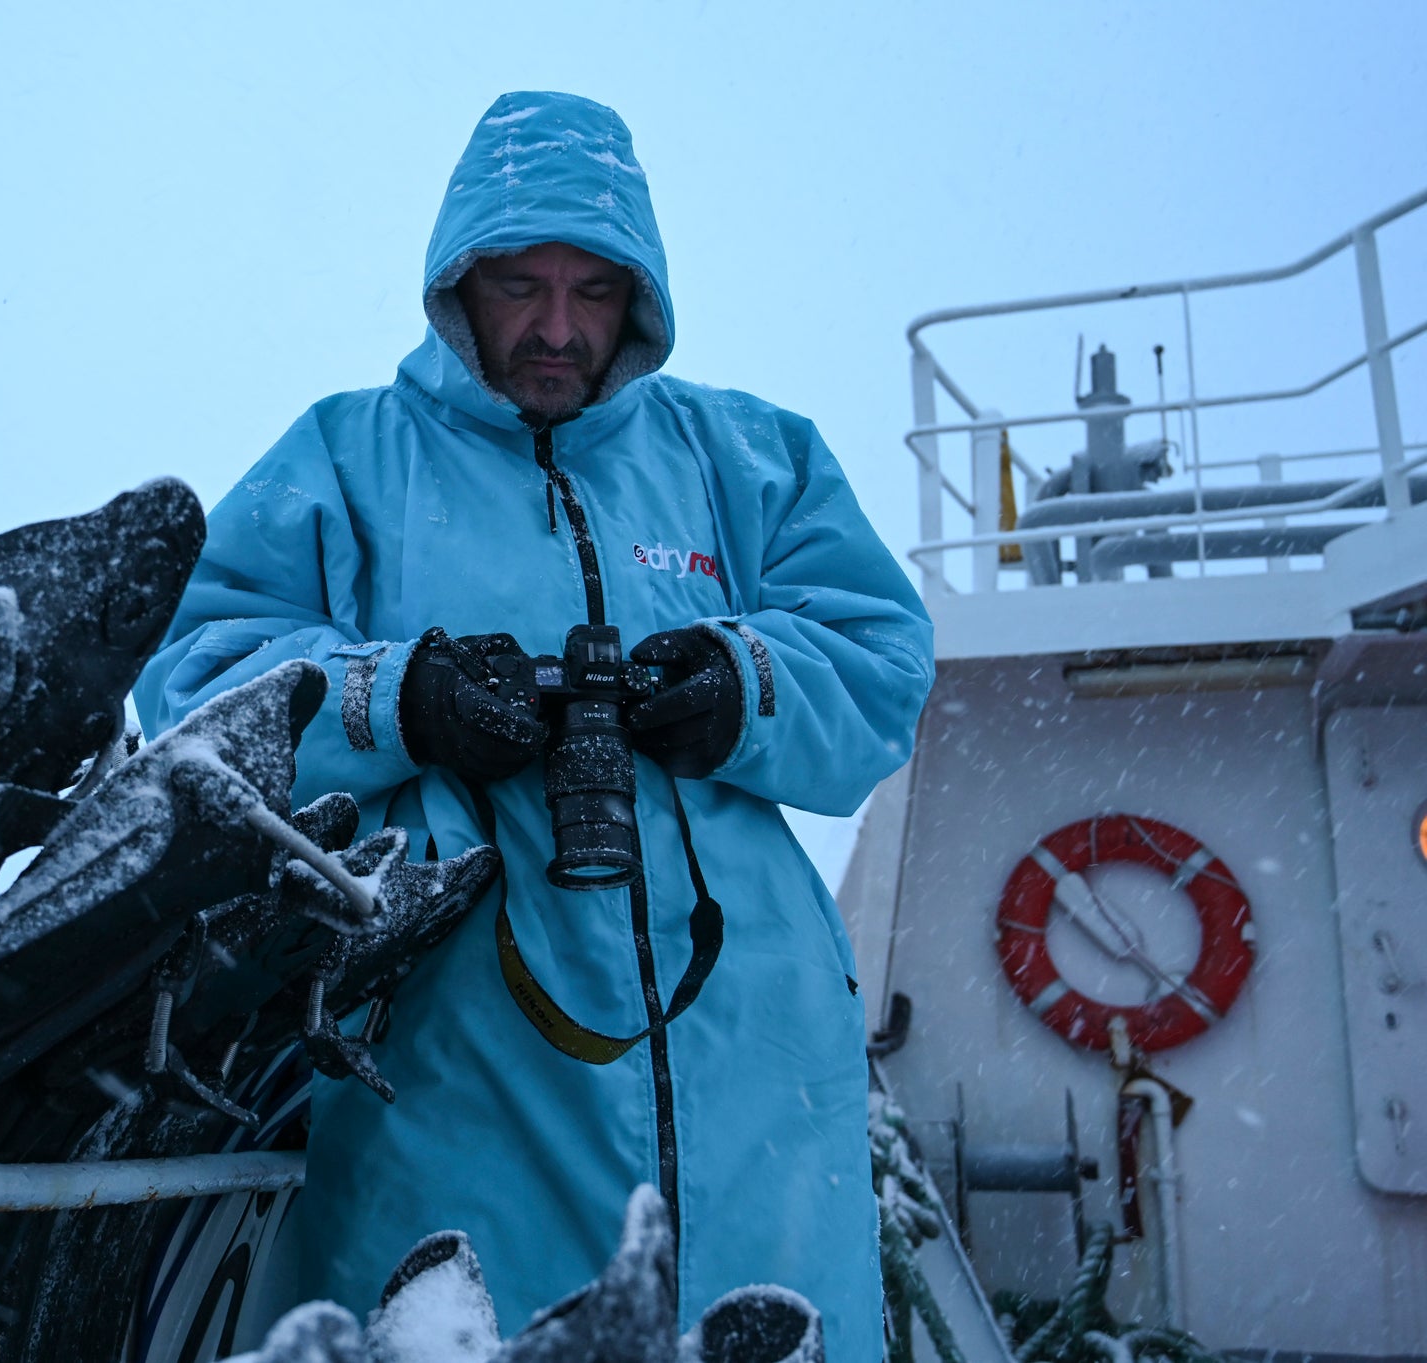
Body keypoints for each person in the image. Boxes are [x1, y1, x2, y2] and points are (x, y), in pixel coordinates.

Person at [137, 91, 932, 1360]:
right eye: (518, 286)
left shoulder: (751, 457)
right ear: (458, 287)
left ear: (640, 298)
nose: (556, 329)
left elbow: (881, 664)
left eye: (592, 291)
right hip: (452, 1060)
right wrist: (403, 697)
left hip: (755, 1060)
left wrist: (743, 685)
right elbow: (193, 684)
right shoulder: (344, 456)